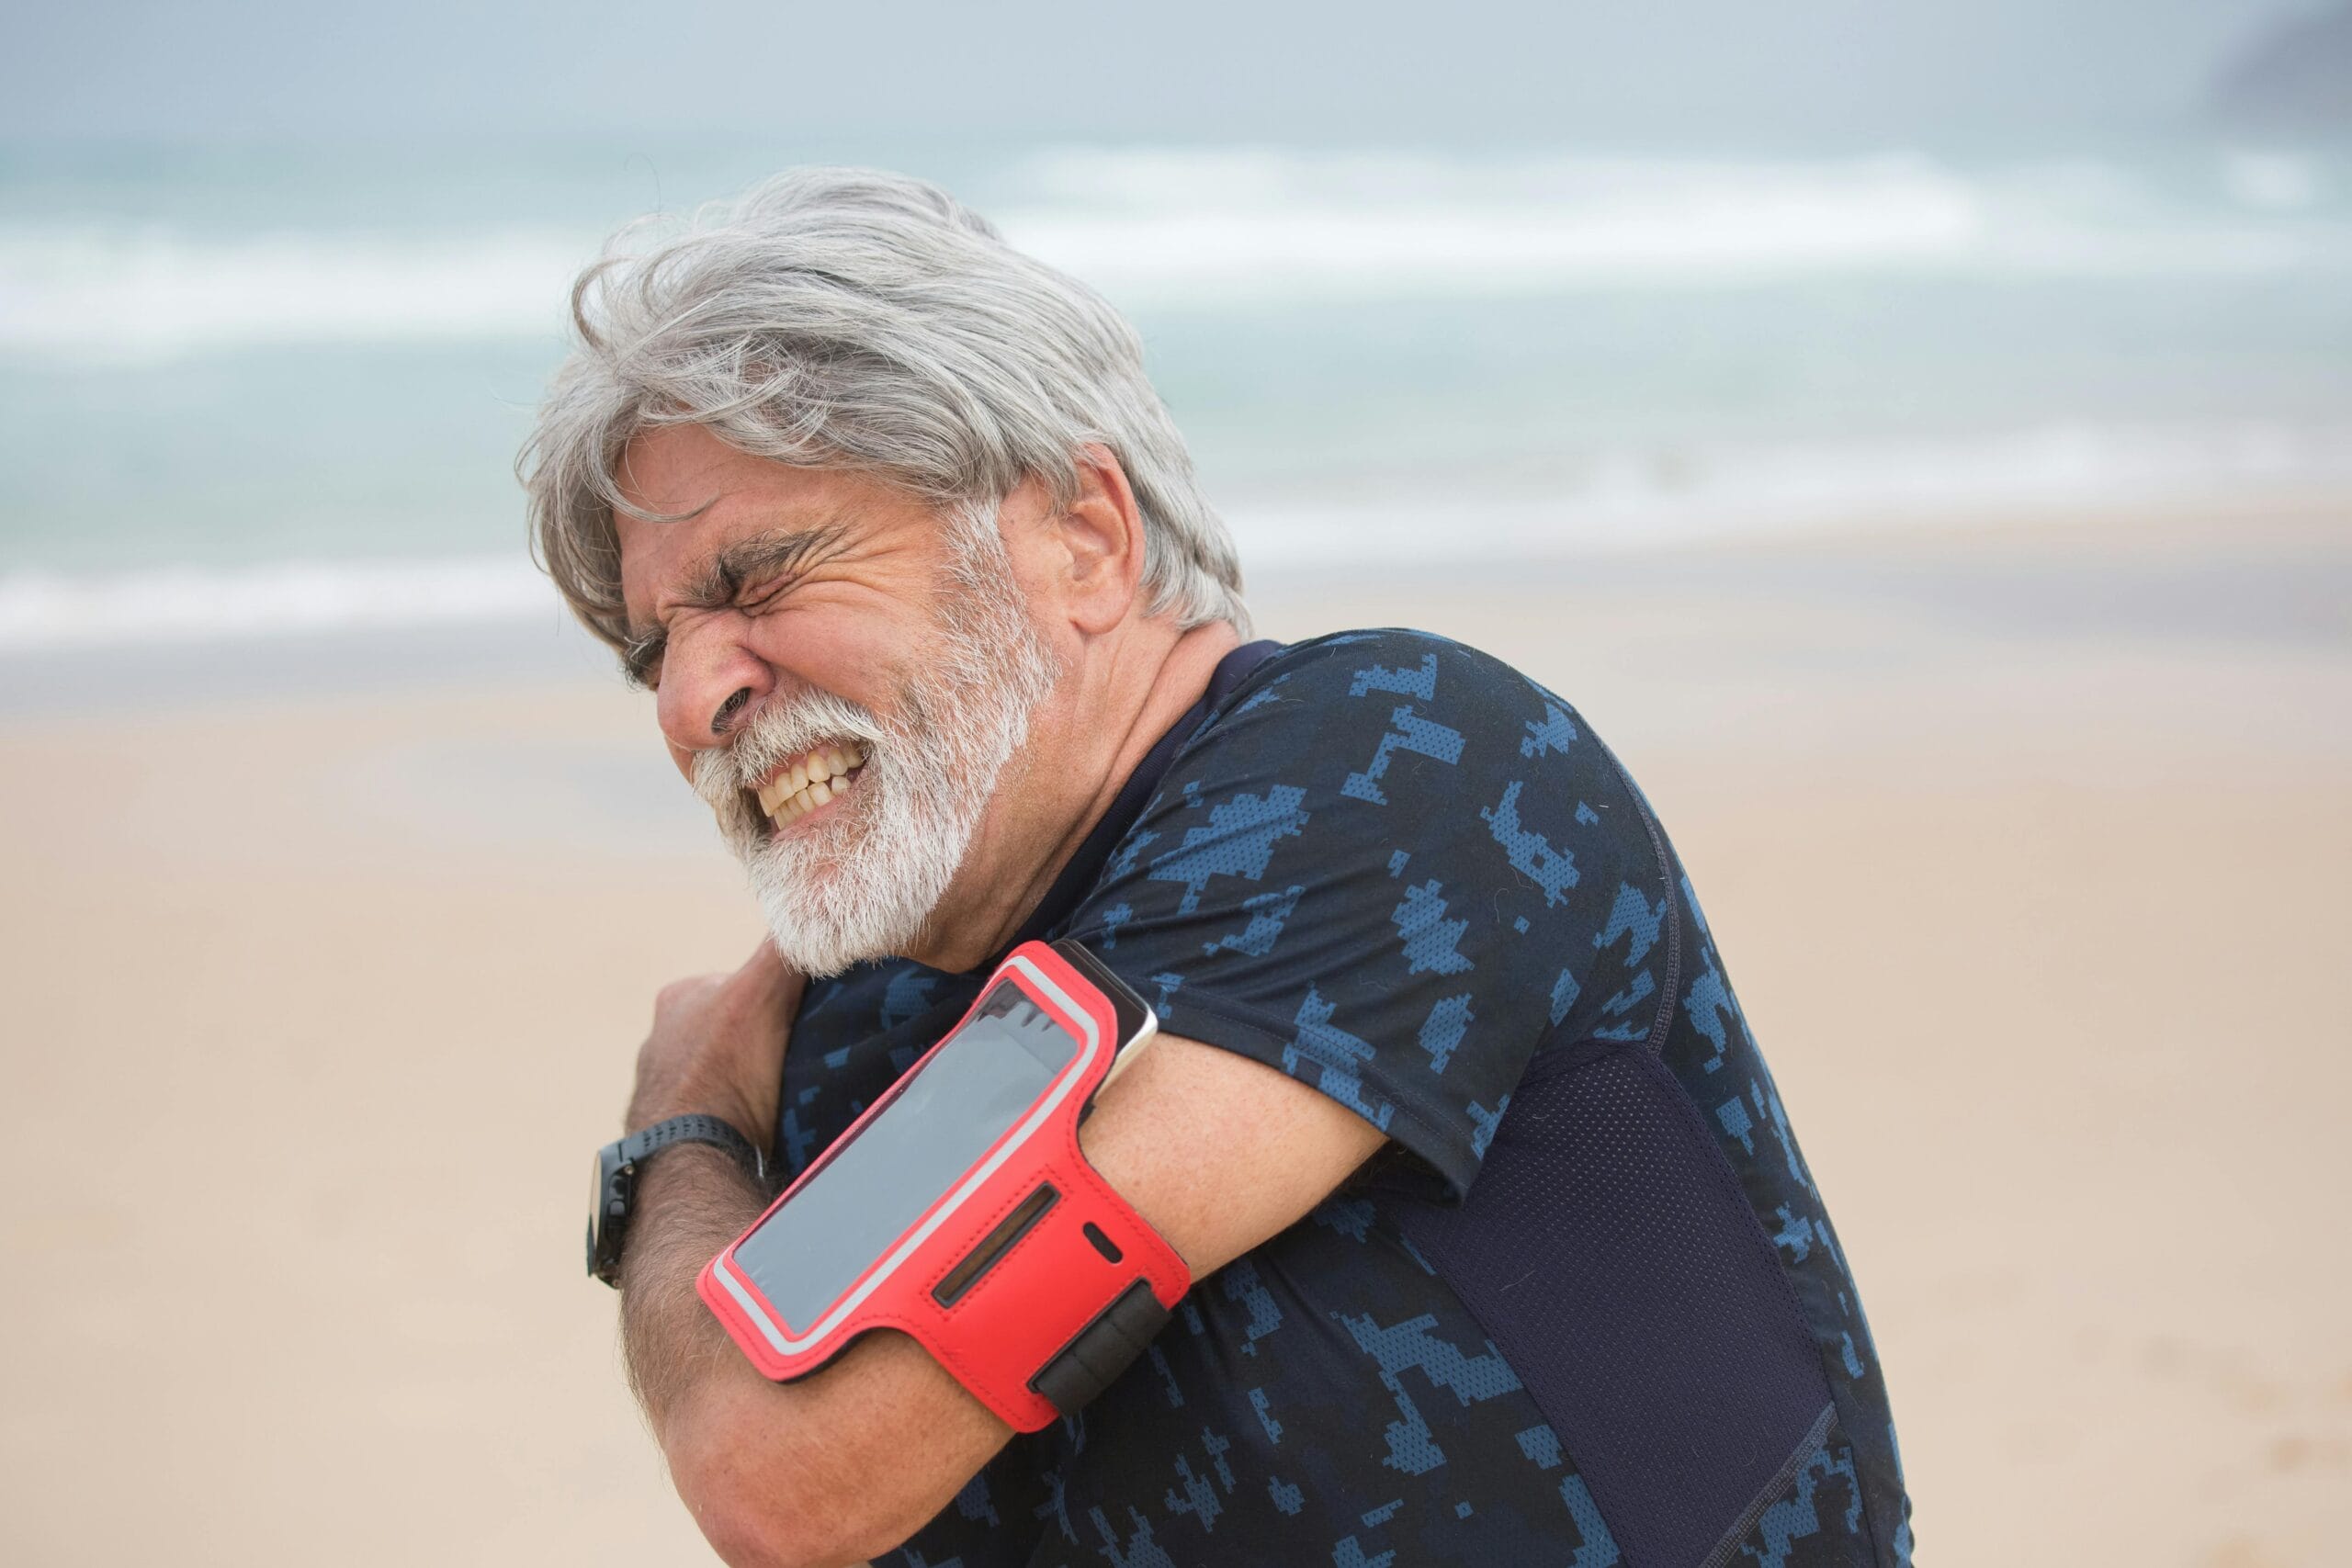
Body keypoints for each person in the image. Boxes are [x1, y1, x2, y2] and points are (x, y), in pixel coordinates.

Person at [525, 168, 1914, 1568]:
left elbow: (782, 1482)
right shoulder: (854, 1032)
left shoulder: (1395, 768)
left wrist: (681, 1131)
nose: (692, 701)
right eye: (654, 652)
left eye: (762, 581)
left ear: (1085, 540)